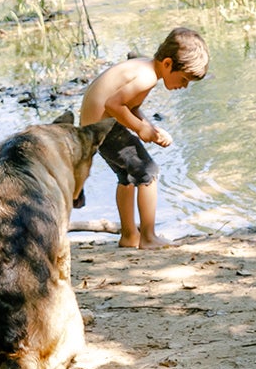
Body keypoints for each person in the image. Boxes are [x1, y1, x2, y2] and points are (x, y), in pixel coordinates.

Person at [78, 26, 209, 247]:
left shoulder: (145, 68)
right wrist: (140, 129)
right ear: (168, 64)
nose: (184, 86)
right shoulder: (147, 77)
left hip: (93, 129)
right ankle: (148, 237)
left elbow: (130, 106)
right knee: (149, 173)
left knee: (127, 177)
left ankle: (129, 236)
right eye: (184, 79)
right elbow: (113, 104)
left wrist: (151, 128)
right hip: (103, 127)